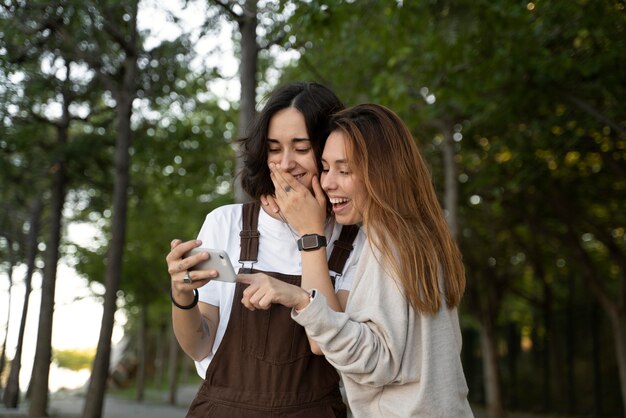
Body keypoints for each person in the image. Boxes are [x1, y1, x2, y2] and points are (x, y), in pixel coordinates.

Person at [238, 104, 474, 417]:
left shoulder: (386, 245)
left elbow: (375, 361)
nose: (326, 183)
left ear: (383, 173)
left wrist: (300, 299)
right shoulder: (422, 238)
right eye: (325, 167)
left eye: (344, 170)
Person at [165, 82, 365, 417]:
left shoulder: (354, 241)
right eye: (274, 149)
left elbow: (328, 346)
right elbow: (199, 346)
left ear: (328, 149)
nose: (286, 164)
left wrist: (310, 232)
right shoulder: (225, 223)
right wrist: (182, 295)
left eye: (301, 148)